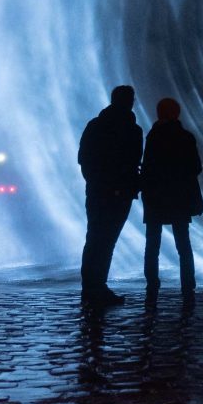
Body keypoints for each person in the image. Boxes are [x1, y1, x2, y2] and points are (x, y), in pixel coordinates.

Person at [78, 85, 143, 306]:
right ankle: (98, 287)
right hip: (119, 193)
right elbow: (133, 162)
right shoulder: (133, 130)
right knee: (106, 241)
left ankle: (90, 287)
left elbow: (84, 159)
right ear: (129, 101)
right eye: (131, 98)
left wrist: (95, 182)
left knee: (95, 238)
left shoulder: (95, 125)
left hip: (97, 191)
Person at [140, 97, 203, 304]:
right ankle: (188, 284)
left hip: (156, 197)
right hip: (179, 197)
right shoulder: (186, 137)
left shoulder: (153, 136)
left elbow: (147, 167)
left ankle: (152, 283)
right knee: (183, 244)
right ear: (177, 114)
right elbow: (196, 168)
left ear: (159, 114)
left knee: (152, 244)